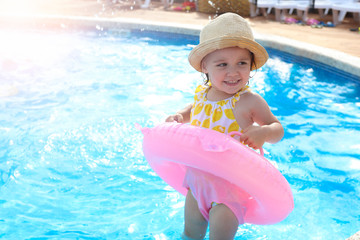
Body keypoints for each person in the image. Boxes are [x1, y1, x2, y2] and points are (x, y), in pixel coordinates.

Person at [165, 13, 284, 240]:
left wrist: (264, 132)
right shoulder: (203, 94)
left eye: (242, 63)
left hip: (229, 192)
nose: (233, 72)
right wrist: (180, 116)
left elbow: (277, 128)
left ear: (251, 66)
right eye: (222, 64)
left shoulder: (248, 101)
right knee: (190, 234)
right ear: (205, 67)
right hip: (196, 184)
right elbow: (195, 110)